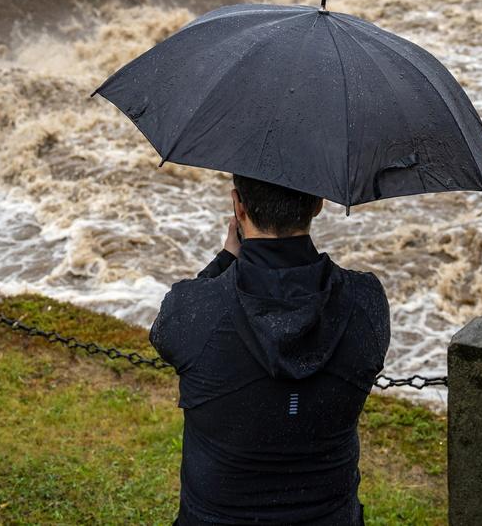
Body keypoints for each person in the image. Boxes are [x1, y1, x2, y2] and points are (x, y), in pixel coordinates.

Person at [150, 175, 390, 525]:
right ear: (319, 203)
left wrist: (226, 259)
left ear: (238, 206)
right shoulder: (366, 302)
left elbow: (166, 331)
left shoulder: (193, 311)